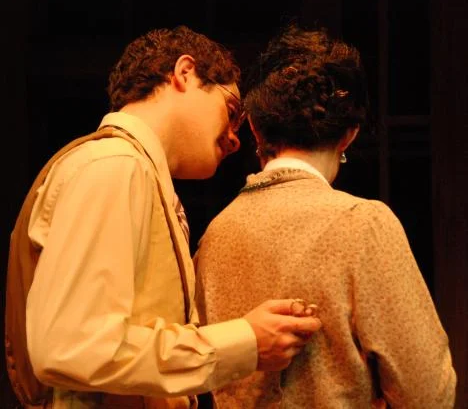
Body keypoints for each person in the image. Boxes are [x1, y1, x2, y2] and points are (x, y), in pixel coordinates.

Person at [6, 25, 322, 409]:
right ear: (185, 73)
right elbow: (72, 346)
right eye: (231, 112)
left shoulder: (134, 173)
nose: (235, 139)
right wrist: (244, 343)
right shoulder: (113, 166)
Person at [194, 25, 457, 408]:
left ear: (254, 127)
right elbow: (428, 392)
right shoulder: (362, 224)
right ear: (350, 134)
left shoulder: (215, 236)